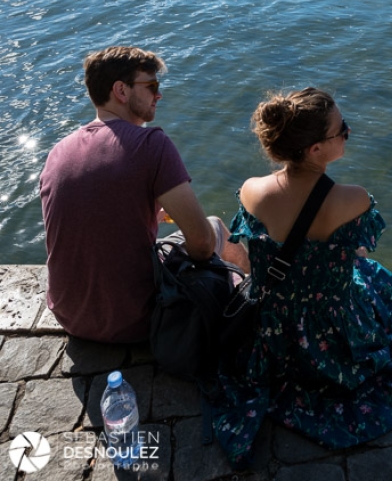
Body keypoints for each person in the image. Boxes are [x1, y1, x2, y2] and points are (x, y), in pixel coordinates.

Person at [213, 87, 392, 466]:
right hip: (333, 328)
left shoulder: (251, 191)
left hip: (273, 325)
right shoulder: (353, 199)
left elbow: (255, 249)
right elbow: (357, 251)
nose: (348, 132)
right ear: (315, 149)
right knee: (371, 274)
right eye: (342, 129)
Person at [40, 46, 247, 343]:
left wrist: (145, 213)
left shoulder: (58, 152)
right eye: (151, 86)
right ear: (121, 91)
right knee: (215, 228)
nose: (158, 95)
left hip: (70, 316)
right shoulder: (151, 144)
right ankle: (253, 303)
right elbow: (201, 244)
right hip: (138, 321)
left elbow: (87, 216)